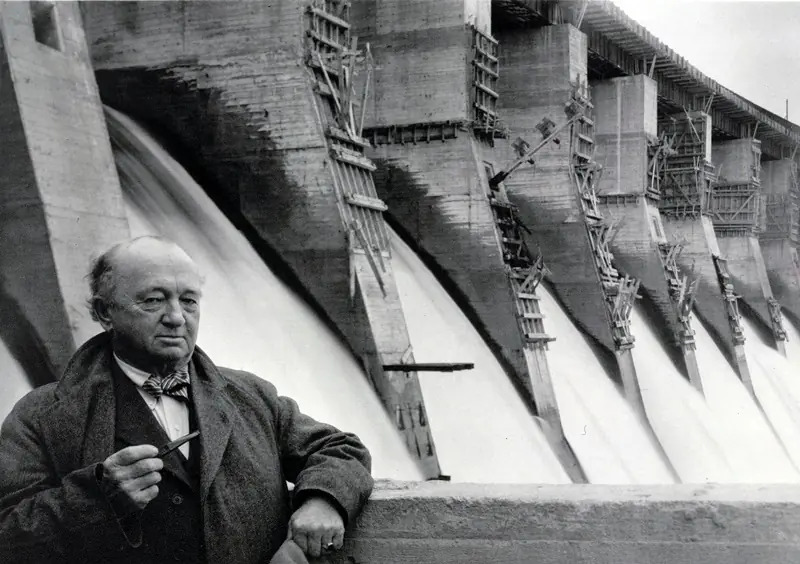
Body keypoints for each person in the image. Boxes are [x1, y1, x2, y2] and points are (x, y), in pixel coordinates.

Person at [0, 236, 374, 563]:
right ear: (104, 312)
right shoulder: (41, 414)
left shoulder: (251, 395)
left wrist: (324, 499)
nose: (177, 318)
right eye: (153, 300)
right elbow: (8, 537)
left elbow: (340, 448)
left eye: (189, 301)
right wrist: (97, 499)